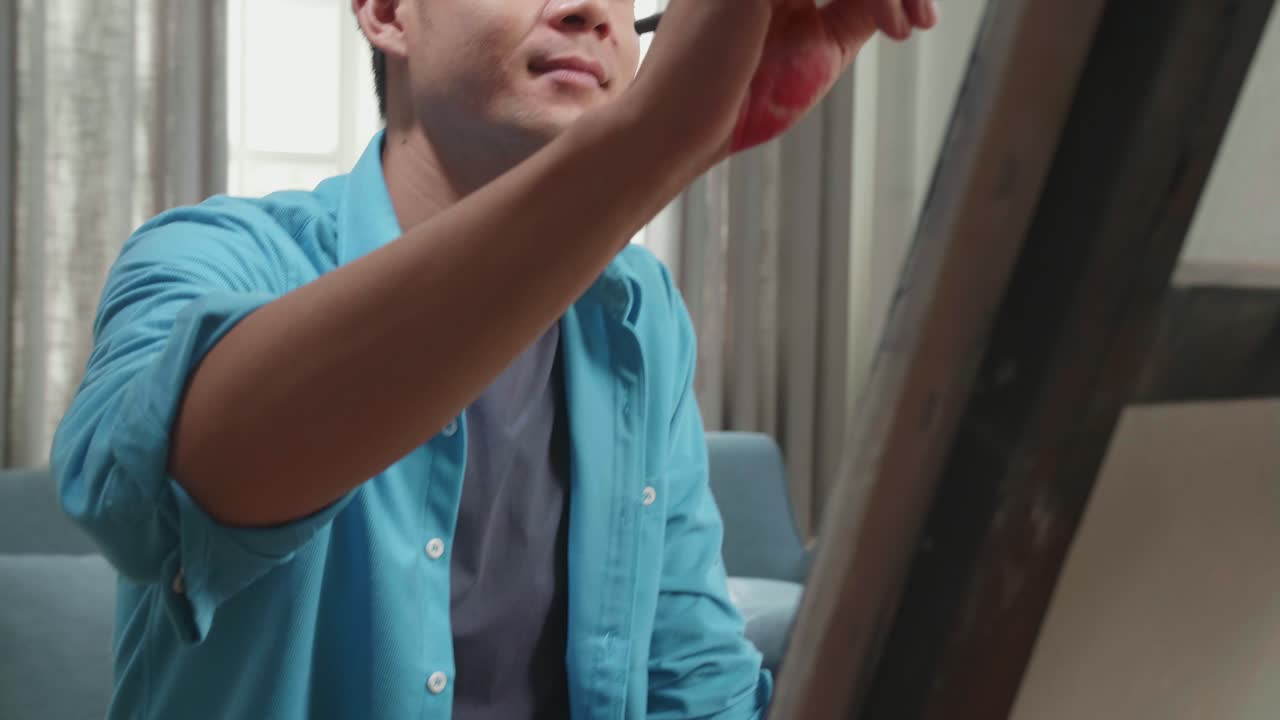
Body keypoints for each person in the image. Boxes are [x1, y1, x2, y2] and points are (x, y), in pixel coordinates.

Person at [51, 0, 936, 717]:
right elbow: (149, 501)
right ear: (390, 14)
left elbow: (691, 682)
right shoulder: (212, 256)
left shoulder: (640, 318)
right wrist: (656, 137)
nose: (595, 12)